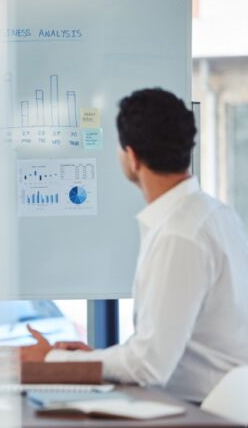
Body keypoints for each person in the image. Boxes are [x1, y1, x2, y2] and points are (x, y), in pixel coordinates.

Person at [17, 88, 248, 402]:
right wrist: (95, 359)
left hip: (195, 412)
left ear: (132, 156)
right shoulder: (216, 214)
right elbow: (165, 349)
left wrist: (53, 362)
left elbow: (149, 366)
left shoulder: (179, 235)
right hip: (205, 403)